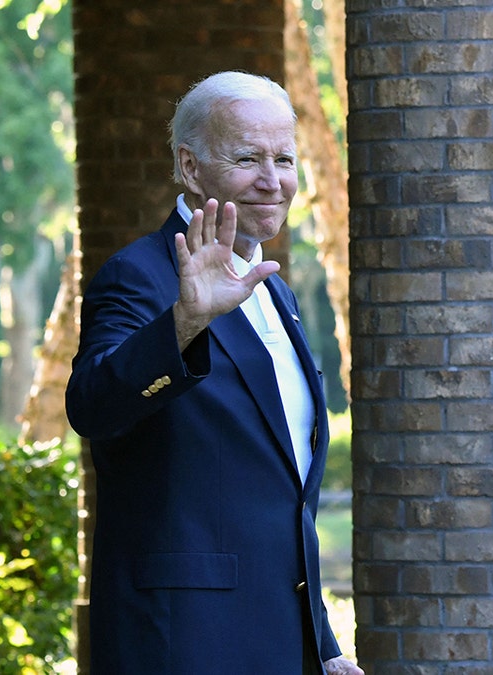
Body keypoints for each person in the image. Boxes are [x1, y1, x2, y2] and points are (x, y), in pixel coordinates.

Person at [66, 71, 363, 675]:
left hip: (281, 642)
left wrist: (323, 648)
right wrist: (184, 320)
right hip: (183, 642)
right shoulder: (142, 276)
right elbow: (92, 407)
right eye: (247, 158)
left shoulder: (275, 290)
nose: (272, 180)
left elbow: (283, 498)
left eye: (284, 158)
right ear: (191, 167)